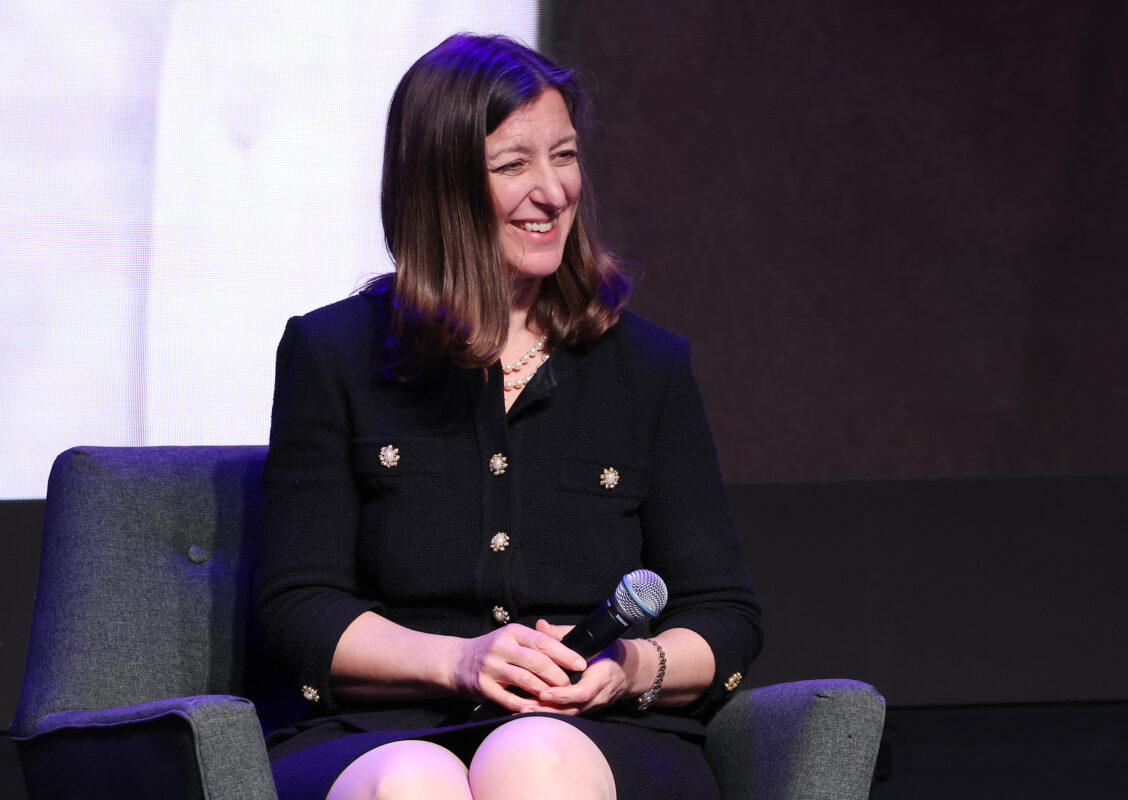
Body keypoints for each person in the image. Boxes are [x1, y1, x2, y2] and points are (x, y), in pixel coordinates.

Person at [255, 33, 762, 800]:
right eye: (513, 165)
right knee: (410, 781)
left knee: (531, 757)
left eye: (564, 156)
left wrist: (630, 669)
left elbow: (723, 614)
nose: (553, 192)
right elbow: (298, 608)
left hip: (598, 734)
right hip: (384, 730)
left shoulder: (648, 368)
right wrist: (458, 661)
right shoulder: (333, 354)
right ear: (443, 186)